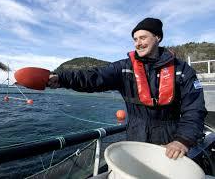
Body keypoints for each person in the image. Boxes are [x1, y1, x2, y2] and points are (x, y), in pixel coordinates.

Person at [47, 18, 207, 159]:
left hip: (170, 145)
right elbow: (93, 77)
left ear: (157, 37)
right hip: (135, 140)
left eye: (143, 38)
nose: (138, 43)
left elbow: (195, 109)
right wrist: (60, 78)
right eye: (135, 39)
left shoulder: (183, 70)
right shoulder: (124, 68)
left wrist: (182, 140)